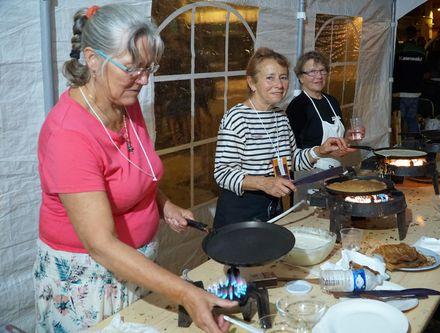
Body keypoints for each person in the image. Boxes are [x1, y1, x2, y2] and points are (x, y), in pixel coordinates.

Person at [35, 5, 236, 332]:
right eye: (133, 69)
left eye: (148, 68)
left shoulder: (124, 104)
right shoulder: (68, 135)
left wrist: (164, 204)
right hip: (90, 284)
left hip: (135, 267)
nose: (143, 80)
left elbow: (133, 172)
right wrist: (185, 292)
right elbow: (100, 244)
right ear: (94, 59)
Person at [213, 48, 353, 229]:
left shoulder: (280, 116)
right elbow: (222, 173)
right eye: (270, 77)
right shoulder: (237, 118)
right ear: (252, 82)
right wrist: (265, 183)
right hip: (240, 212)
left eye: (283, 77)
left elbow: (292, 160)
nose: (279, 84)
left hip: (273, 207)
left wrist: (319, 151)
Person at [286, 50, 363, 170]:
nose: (319, 76)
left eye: (322, 70)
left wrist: (347, 137)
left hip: (335, 168)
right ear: (301, 77)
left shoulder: (331, 101)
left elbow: (337, 139)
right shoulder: (297, 107)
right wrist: (327, 152)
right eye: (312, 72)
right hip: (311, 172)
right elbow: (293, 152)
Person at [393, 25, 427, 133]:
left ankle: (399, 143)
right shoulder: (421, 51)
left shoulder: (398, 50)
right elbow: (426, 72)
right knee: (412, 118)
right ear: (416, 35)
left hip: (399, 92)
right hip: (415, 91)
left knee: (399, 120)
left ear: (405, 35)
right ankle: (414, 144)